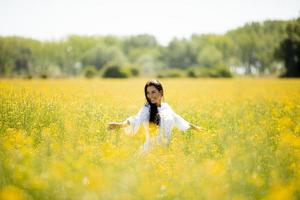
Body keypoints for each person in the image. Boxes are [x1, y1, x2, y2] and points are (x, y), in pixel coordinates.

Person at [108, 79, 204, 153]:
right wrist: (120, 125)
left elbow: (178, 119)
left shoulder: (166, 107)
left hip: (165, 152)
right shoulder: (146, 109)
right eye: (148, 93)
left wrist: (195, 127)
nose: (150, 96)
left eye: (153, 92)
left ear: (161, 92)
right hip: (149, 152)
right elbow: (136, 119)